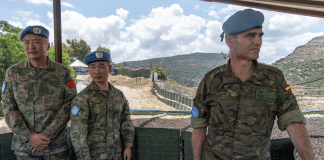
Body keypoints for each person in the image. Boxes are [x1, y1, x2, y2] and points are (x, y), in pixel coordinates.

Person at [191, 9, 315, 160]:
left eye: (260, 35)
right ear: (229, 40)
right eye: (250, 35)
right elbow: (199, 125)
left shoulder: (274, 78)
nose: (258, 41)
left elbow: (294, 122)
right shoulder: (211, 80)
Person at [1, 25, 77, 159]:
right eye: (26, 42)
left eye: (36, 42)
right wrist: (29, 137)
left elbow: (70, 103)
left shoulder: (62, 72)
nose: (31, 47)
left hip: (57, 147)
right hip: (25, 148)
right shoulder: (13, 72)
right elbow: (8, 106)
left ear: (47, 46)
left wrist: (47, 134)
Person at [70, 50, 135, 160]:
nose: (97, 72)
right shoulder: (83, 98)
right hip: (93, 155)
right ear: (89, 69)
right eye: (92, 67)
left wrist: (128, 146)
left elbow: (126, 120)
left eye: (101, 67)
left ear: (109, 69)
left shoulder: (119, 95)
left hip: (116, 153)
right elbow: (78, 133)